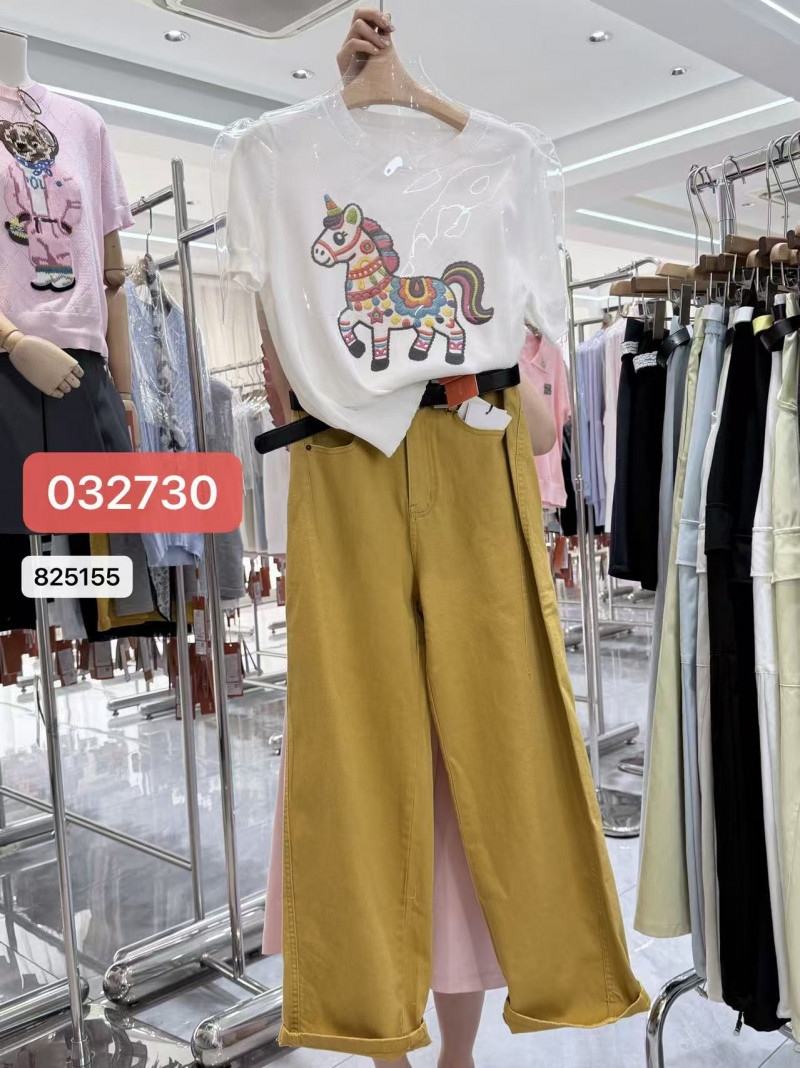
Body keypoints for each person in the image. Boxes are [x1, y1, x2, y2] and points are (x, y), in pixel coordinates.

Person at [325, 15, 557, 1067]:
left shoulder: (502, 211)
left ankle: (446, 1054)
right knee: (372, 782)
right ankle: (391, 1042)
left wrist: (494, 359)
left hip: (471, 516)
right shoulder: (315, 235)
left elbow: (538, 431)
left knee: (461, 814)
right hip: (359, 500)